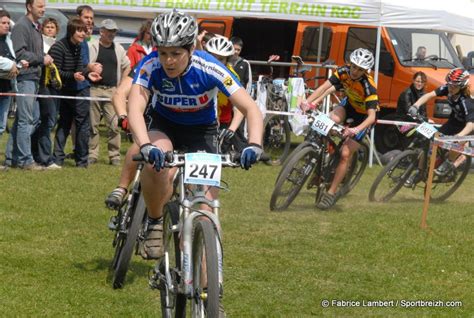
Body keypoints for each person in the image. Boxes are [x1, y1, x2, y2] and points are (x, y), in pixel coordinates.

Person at [127, 10, 263, 261]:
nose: (168, 61)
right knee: (155, 165)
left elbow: (250, 108)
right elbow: (134, 106)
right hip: (164, 125)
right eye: (164, 52)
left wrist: (254, 144)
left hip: (202, 132)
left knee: (205, 211)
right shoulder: (150, 65)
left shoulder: (210, 67)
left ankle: (207, 292)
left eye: (176, 54)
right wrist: (145, 144)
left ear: (191, 49)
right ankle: (155, 221)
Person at [302, 48, 378, 210]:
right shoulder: (343, 71)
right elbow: (323, 87)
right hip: (349, 106)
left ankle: (331, 192)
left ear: (366, 71)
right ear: (350, 63)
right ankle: (321, 165)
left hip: (364, 118)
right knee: (328, 122)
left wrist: (355, 130)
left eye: (360, 69)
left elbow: (372, 117)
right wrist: (308, 102)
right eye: (354, 67)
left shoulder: (369, 85)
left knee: (344, 153)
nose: (355, 71)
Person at [5, 0, 53, 170]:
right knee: (26, 120)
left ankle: (11, 158)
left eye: (44, 6)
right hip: (25, 78)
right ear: (29, 6)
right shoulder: (21, 26)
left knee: (24, 119)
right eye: (40, 6)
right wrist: (42, 59)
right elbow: (20, 53)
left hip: (34, 77)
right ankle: (25, 160)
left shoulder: (35, 26)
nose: (43, 9)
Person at [408, 68, 473, 178]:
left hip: (469, 126)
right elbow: (429, 95)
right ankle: (419, 172)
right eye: (449, 84)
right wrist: (416, 105)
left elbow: (471, 124)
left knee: (457, 143)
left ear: (462, 86)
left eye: (454, 86)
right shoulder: (448, 88)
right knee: (432, 140)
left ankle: (449, 162)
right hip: (454, 122)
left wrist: (459, 136)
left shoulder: (467, 101)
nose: (451, 88)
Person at [50, 18, 93, 168]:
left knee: (83, 124)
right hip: (64, 91)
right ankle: (57, 159)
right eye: (79, 31)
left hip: (79, 90)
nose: (83, 33)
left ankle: (82, 161)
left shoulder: (80, 46)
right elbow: (55, 72)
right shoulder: (58, 47)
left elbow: (79, 69)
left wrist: (89, 74)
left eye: (84, 30)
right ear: (71, 31)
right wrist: (73, 75)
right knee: (64, 124)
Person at [88, 19, 130, 166]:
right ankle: (92, 154)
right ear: (102, 32)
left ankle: (114, 156)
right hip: (93, 89)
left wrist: (122, 87)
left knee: (113, 125)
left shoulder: (118, 49)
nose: (112, 34)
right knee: (92, 125)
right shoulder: (91, 46)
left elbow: (127, 66)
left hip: (112, 91)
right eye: (109, 31)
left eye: (114, 31)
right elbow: (85, 65)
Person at [205, 36, 247, 153]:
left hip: (220, 124)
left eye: (221, 59)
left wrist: (232, 129)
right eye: (212, 57)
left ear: (227, 60)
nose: (215, 62)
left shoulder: (232, 77)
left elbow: (241, 107)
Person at [31, 16, 61, 169]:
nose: (49, 29)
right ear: (42, 28)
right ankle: (44, 157)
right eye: (47, 26)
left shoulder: (58, 44)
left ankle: (36, 153)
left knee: (48, 121)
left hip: (54, 87)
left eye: (52, 27)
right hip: (42, 85)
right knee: (44, 122)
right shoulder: (39, 43)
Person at [0, 10, 27, 140]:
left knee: (1, 125)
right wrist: (10, 64)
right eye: (3, 23)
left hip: (6, 87)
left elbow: (14, 60)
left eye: (7, 23)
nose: (7, 25)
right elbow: (8, 62)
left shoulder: (9, 39)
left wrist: (20, 64)